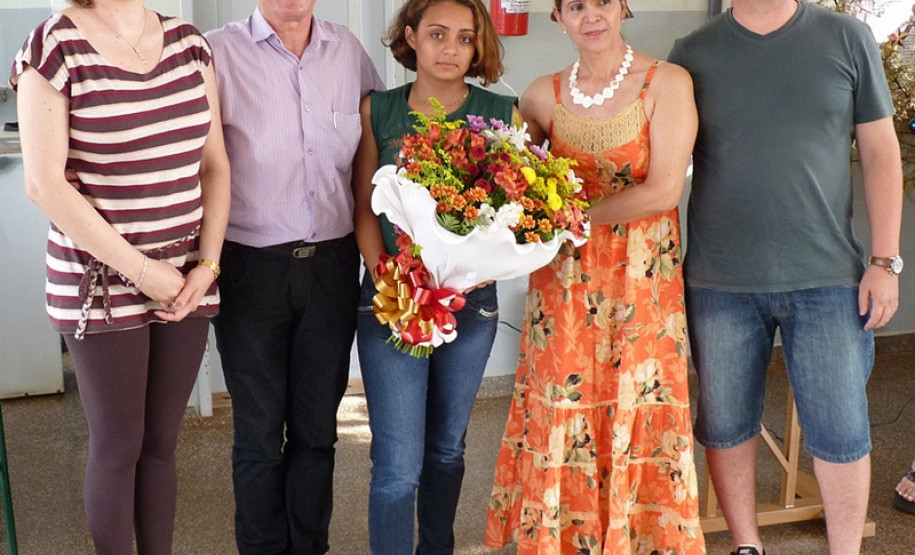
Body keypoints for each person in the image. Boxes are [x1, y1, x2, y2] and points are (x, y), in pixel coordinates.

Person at [668, 1, 903, 554]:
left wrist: (885, 261)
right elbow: (665, 164)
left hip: (828, 276)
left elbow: (880, 153)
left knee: (841, 430)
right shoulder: (691, 55)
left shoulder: (847, 38)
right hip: (719, 281)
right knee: (725, 424)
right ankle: (746, 545)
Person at [485, 1, 705, 553]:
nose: (591, 15)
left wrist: (568, 217)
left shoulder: (667, 82)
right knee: (564, 405)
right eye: (575, 5)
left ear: (623, 6)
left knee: (639, 400)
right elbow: (511, 185)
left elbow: (663, 191)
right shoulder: (540, 95)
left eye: (602, 0)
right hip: (563, 286)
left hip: (642, 282)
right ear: (558, 16)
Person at [11, 0, 231, 549]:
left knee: (160, 444)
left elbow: (214, 165)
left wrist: (207, 265)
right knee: (118, 445)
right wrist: (141, 270)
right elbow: (43, 183)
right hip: (100, 282)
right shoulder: (53, 46)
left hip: (185, 278)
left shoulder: (190, 44)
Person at [204, 1, 382, 552]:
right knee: (258, 436)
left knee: (316, 432)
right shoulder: (215, 52)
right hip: (248, 268)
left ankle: (309, 546)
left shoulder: (347, 51)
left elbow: (378, 145)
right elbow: (197, 162)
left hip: (331, 266)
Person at [351, 0, 517, 552]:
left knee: (447, 449)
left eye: (465, 38)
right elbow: (363, 208)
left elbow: (518, 217)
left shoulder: (503, 113)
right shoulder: (378, 109)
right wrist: (388, 277)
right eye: (438, 34)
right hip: (392, 300)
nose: (451, 49)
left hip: (470, 305)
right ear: (411, 37)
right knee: (397, 463)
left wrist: (483, 268)